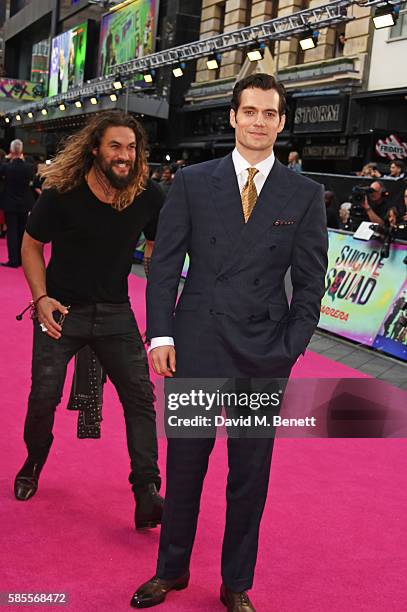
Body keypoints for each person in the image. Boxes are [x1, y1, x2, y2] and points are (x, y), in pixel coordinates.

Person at [131, 74, 328, 610]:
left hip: (263, 353)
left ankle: (236, 583)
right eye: (250, 112)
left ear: (281, 122)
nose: (259, 122)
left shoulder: (304, 194)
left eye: (270, 113)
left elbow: (312, 282)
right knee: (186, 468)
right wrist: (162, 335)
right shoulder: (194, 182)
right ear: (234, 117)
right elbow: (165, 264)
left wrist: (290, 345)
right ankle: (170, 571)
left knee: (249, 478)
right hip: (194, 344)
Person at [14, 111, 165, 531]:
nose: (125, 156)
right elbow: (30, 245)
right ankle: (34, 459)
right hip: (61, 310)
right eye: (116, 146)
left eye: (132, 148)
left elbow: (157, 243)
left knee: (140, 397)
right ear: (96, 148)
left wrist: (158, 289)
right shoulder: (62, 192)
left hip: (116, 313)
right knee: (44, 395)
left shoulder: (147, 195)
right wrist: (40, 299)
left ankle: (146, 492)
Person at [0, 140, 35, 267]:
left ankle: (13, 260)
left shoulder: (7, 167)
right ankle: (21, 259)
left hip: (10, 203)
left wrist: (5, 159)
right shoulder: (28, 167)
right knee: (22, 232)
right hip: (25, 203)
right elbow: (33, 174)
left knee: (12, 232)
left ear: (11, 151)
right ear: (21, 151)